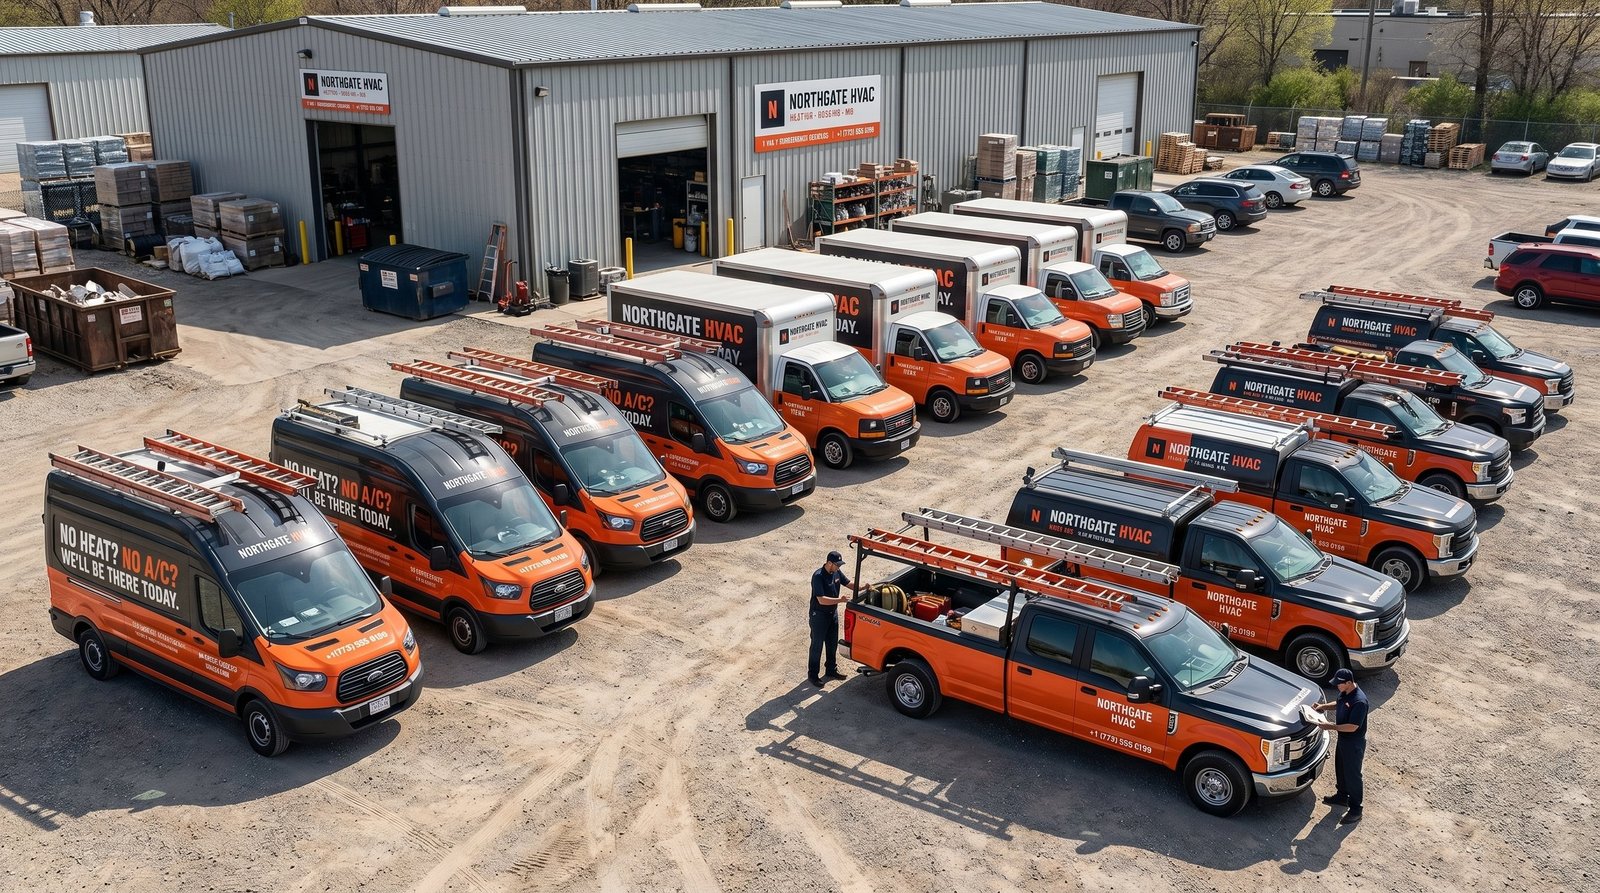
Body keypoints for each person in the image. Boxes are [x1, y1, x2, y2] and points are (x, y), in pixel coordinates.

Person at [1315, 667, 1369, 825]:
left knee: (1353, 775)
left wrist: (1330, 726)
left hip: (1353, 743)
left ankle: (1356, 809)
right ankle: (1342, 796)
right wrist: (1323, 706)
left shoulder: (1359, 701)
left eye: (1339, 684)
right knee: (1341, 768)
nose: (1337, 686)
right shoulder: (1346, 693)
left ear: (1349, 682)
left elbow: (1353, 726)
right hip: (1344, 740)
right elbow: (1339, 703)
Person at [808, 550, 858, 688]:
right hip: (819, 616)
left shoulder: (836, 573)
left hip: (832, 615)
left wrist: (862, 587)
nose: (838, 567)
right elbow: (821, 600)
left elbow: (848, 583)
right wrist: (840, 600)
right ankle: (813, 675)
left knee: (832, 643)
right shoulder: (818, 576)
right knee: (817, 646)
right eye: (837, 565)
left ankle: (831, 670)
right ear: (829, 563)